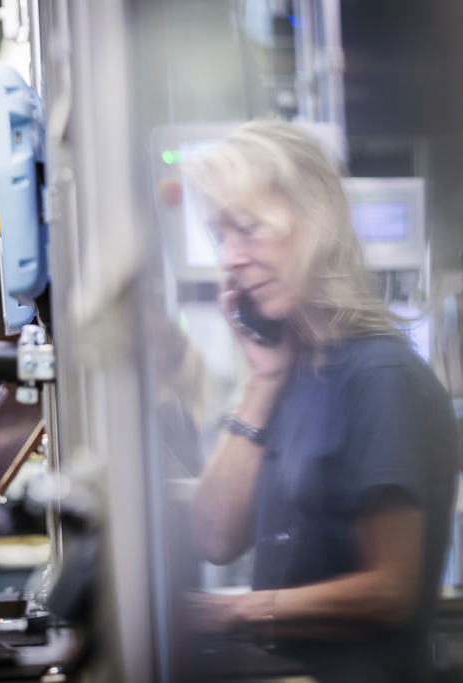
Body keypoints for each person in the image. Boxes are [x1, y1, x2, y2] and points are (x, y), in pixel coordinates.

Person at [186, 120, 458, 682]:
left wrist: (234, 612)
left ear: (316, 223)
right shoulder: (294, 374)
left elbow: (390, 592)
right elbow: (215, 537)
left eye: (248, 228)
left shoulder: (382, 377)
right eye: (222, 238)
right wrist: (261, 383)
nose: (232, 257)